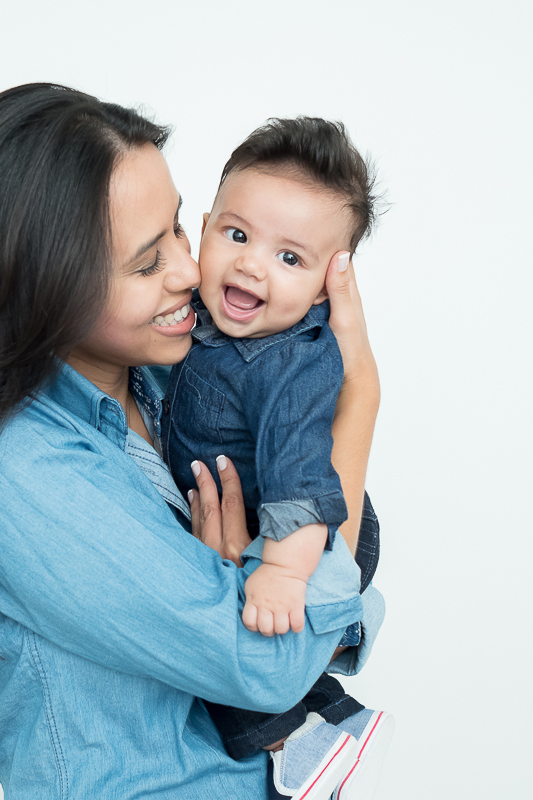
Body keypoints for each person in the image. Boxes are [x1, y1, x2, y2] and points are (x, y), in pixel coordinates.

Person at [0, 83, 384, 800]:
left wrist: (246, 570)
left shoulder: (168, 378)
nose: (191, 272)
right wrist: (359, 408)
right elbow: (270, 664)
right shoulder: (21, 473)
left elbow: (315, 574)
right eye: (145, 262)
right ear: (42, 287)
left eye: (180, 231)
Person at [162, 117, 393, 799]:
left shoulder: (291, 362)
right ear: (202, 229)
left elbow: (296, 471)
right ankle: (330, 723)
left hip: (304, 527)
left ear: (327, 286)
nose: (252, 264)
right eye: (236, 235)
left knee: (232, 645)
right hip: (264, 521)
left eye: (290, 259)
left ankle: (301, 740)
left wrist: (284, 574)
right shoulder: (205, 317)